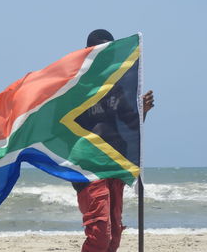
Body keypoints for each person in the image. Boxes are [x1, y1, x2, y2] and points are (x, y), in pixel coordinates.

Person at [72, 29, 154, 252]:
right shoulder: (77, 87)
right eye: (100, 52)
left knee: (114, 235)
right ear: (89, 53)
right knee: (100, 235)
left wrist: (142, 110)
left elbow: (131, 124)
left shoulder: (116, 87)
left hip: (115, 165)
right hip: (89, 169)